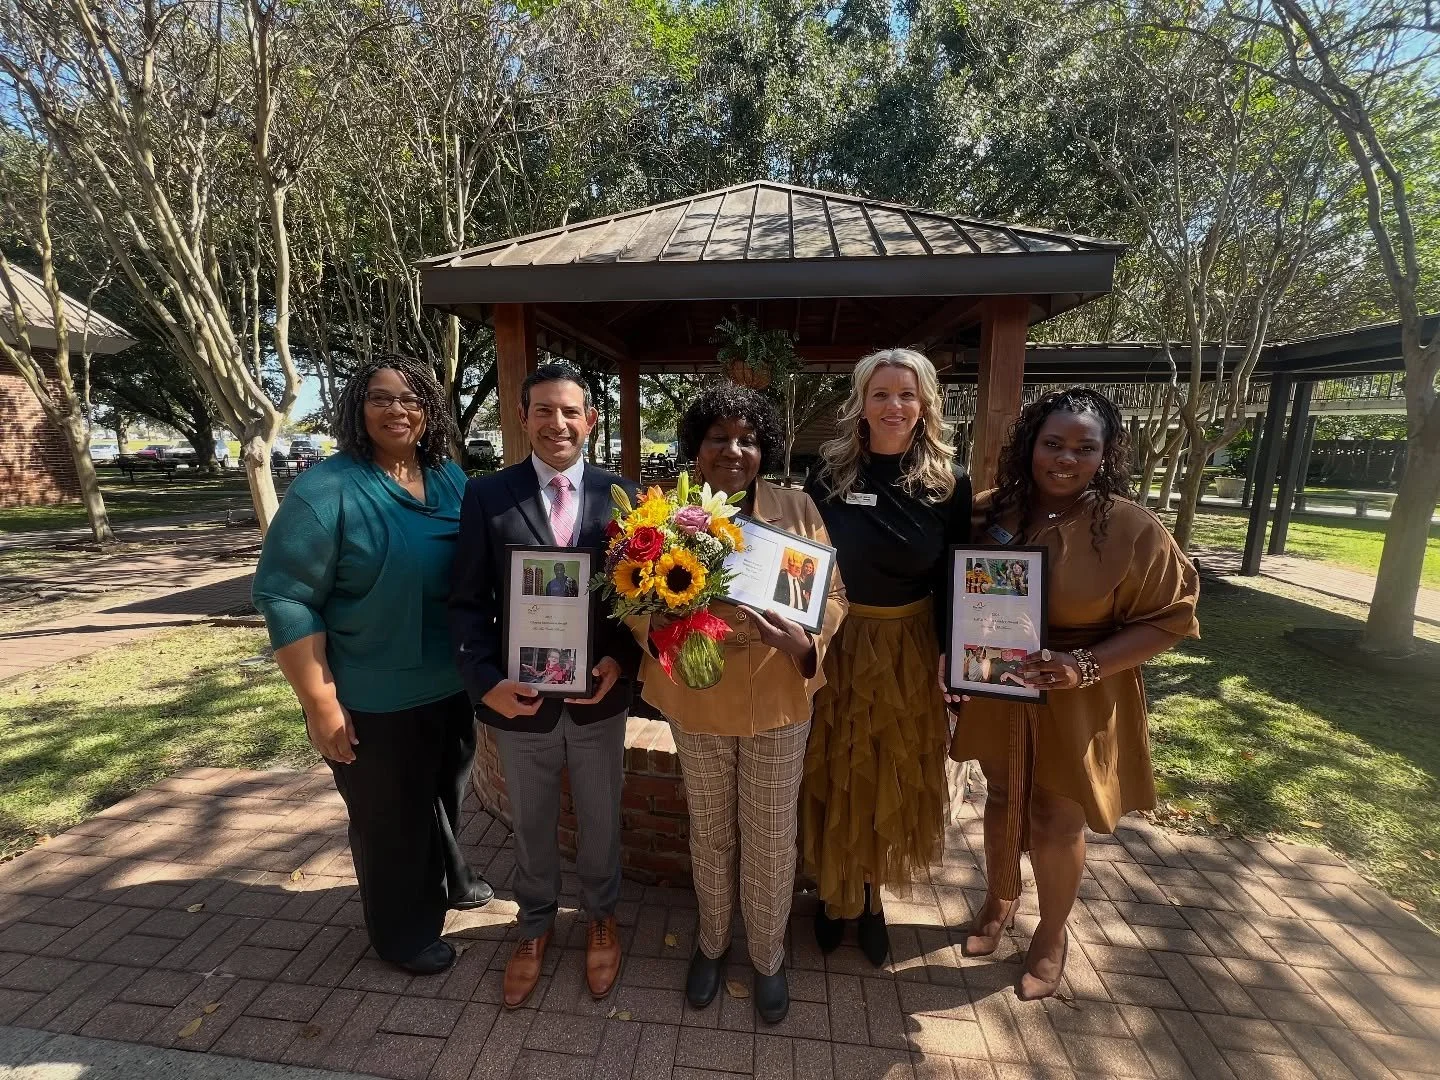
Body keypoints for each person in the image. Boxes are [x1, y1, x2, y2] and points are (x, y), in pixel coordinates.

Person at [948, 388, 1199, 1000]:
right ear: (1031, 445)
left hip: (1081, 688)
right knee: (1003, 794)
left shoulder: (1131, 527)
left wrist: (1083, 665)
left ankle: (1052, 934)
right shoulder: (991, 512)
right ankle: (999, 900)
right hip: (1001, 680)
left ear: (1106, 454)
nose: (1065, 459)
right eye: (1053, 443)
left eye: (1085, 448)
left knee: (1057, 815)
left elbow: (1172, 617)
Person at [252, 355, 492, 977]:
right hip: (371, 696)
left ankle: (449, 883)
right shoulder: (325, 490)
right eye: (381, 398)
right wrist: (320, 704)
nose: (398, 410)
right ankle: (403, 935)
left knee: (443, 793)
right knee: (391, 821)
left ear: (430, 411)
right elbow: (284, 594)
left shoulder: (447, 479)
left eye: (412, 399)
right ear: (358, 408)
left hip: (448, 685)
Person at [630, 384, 846, 1024]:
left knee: (772, 836)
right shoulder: (664, 513)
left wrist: (808, 641)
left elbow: (833, 595)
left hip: (779, 697)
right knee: (711, 828)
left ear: (764, 448)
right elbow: (635, 601)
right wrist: (671, 626)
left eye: (748, 439)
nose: (734, 450)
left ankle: (769, 956)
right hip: (698, 696)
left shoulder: (798, 509)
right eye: (719, 438)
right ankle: (712, 943)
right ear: (696, 448)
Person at [449, 363, 641, 1010]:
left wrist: (621, 662)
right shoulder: (487, 496)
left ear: (590, 420)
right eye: (543, 411)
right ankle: (533, 926)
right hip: (520, 699)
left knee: (600, 821)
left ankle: (601, 917)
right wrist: (486, 684)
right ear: (523, 418)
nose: (557, 424)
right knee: (531, 825)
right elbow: (467, 603)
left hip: (597, 697)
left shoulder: (624, 498)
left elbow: (636, 605)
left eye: (570, 412)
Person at [801, 347, 972, 966]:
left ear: (925, 404)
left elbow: (957, 575)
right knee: (833, 765)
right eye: (881, 394)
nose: (894, 405)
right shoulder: (828, 478)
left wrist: (953, 651)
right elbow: (806, 564)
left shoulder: (950, 484)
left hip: (908, 648)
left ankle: (871, 896)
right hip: (840, 642)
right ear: (861, 404)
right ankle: (830, 892)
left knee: (888, 770)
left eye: (907, 394)